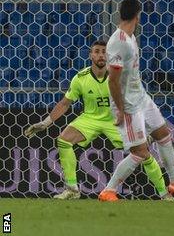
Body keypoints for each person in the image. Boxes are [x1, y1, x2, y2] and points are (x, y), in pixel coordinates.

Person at [98, 0, 174, 201]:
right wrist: (121, 109)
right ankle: (108, 190)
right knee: (140, 152)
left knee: (163, 133)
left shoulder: (131, 37)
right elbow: (112, 81)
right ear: (138, 15)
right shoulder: (119, 43)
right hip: (128, 105)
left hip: (141, 97)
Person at [24, 40, 123, 199]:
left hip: (115, 119)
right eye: (96, 51)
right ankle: (72, 189)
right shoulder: (80, 77)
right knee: (64, 140)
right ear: (90, 55)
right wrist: (45, 123)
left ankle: (165, 193)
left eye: (104, 51)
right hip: (90, 118)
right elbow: (65, 103)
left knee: (141, 150)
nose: (100, 55)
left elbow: (134, 99)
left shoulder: (117, 76)